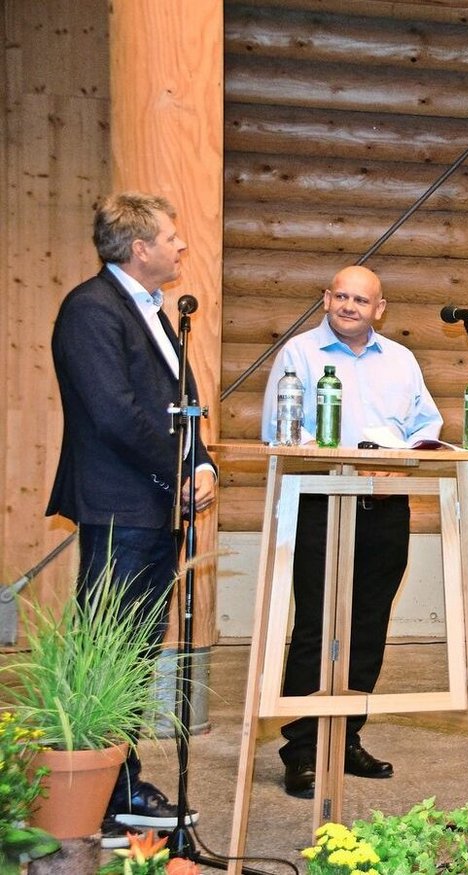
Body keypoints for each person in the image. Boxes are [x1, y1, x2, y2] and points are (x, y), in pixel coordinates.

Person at [48, 192, 216, 840]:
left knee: (139, 651)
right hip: (121, 506)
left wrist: (202, 463)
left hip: (154, 504)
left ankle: (119, 784)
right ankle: (103, 793)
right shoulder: (92, 310)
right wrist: (177, 468)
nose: (180, 246)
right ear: (139, 247)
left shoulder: (151, 309)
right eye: (172, 237)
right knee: (111, 653)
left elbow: (179, 404)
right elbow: (117, 413)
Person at [259, 265, 443, 798]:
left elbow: (426, 423)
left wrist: (403, 458)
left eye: (361, 300)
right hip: (322, 502)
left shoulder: (402, 361)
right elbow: (278, 428)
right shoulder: (299, 355)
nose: (349, 306)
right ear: (325, 299)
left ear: (378, 309)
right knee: (318, 624)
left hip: (386, 504)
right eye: (341, 295)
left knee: (368, 624)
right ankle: (301, 750)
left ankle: (346, 737)